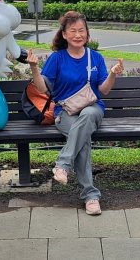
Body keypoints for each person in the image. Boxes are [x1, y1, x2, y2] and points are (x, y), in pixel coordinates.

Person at [26, 11, 124, 216]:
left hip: (93, 109)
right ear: (64, 34)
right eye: (73, 31)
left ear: (87, 34)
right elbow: (43, 90)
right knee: (83, 140)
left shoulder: (95, 57)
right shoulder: (57, 58)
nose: (78, 35)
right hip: (65, 112)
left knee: (88, 115)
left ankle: (62, 164)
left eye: (82, 31)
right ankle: (91, 196)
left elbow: (103, 91)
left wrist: (113, 74)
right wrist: (34, 67)